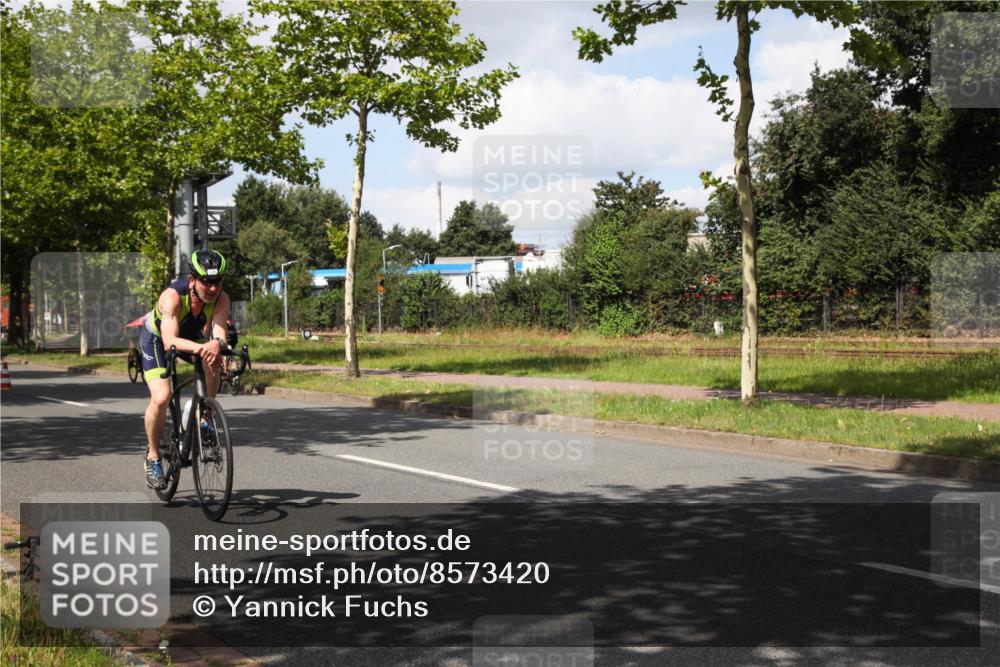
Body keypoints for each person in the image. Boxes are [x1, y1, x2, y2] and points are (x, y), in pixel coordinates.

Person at [140, 249, 231, 489]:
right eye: (207, 281)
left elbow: (219, 333)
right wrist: (206, 347)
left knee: (212, 358)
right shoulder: (172, 297)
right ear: (192, 279)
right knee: (162, 397)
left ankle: (204, 418)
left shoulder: (221, 299)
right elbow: (170, 340)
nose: (213, 287)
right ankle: (153, 457)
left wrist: (217, 344)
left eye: (218, 281)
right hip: (158, 341)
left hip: (190, 338)